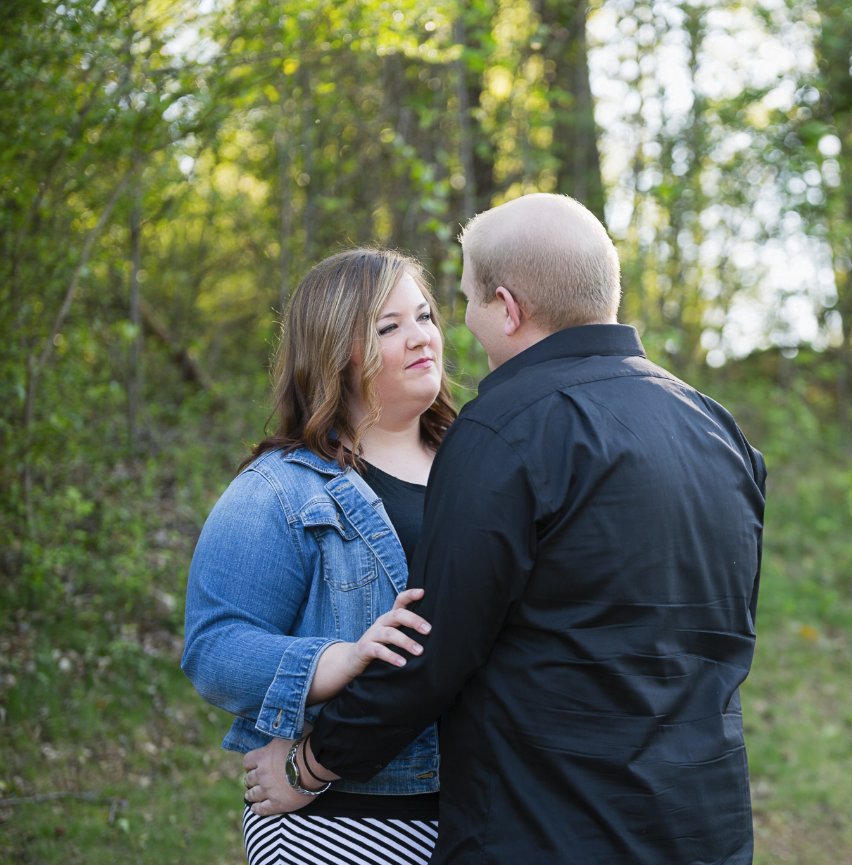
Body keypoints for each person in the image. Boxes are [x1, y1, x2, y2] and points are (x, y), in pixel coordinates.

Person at [242, 193, 768, 864]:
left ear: (507, 306)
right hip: (705, 827)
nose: (456, 324)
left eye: (463, 301)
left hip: (548, 827)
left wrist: (310, 764)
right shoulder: (716, 428)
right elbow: (728, 634)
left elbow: (432, 651)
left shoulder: (503, 430)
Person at [182, 248, 458, 865]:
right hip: (336, 818)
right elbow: (213, 648)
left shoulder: (479, 463)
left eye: (425, 317)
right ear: (335, 351)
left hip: (479, 809)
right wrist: (338, 659)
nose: (422, 339)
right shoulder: (279, 489)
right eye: (389, 328)